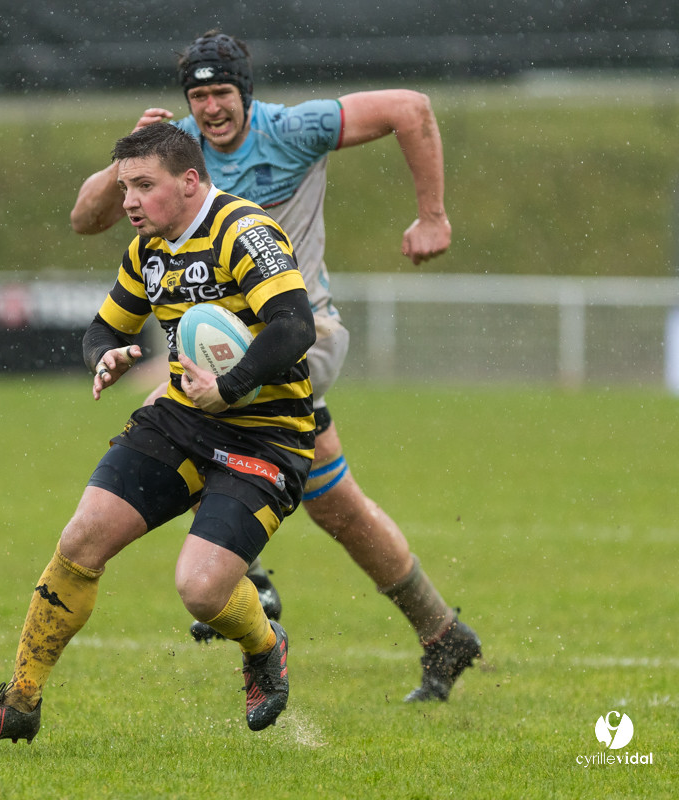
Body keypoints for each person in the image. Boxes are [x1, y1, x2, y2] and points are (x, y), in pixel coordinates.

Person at [69, 31, 481, 703]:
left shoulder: (293, 129)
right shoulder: (173, 152)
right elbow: (86, 219)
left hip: (301, 335)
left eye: (221, 93)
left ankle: (248, 576)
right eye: (198, 96)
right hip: (226, 354)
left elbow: (410, 107)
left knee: (167, 421)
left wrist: (431, 215)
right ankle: (442, 631)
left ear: (246, 92)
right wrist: (125, 150)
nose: (210, 108)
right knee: (337, 506)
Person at [0, 122, 316, 751]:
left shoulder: (243, 231)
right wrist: (106, 356)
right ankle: (19, 702)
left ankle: (263, 645)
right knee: (80, 540)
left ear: (190, 181)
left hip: (266, 436)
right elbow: (104, 327)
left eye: (144, 186)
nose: (130, 202)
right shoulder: (149, 250)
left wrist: (230, 387)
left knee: (201, 590)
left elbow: (294, 326)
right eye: (125, 189)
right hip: (180, 420)